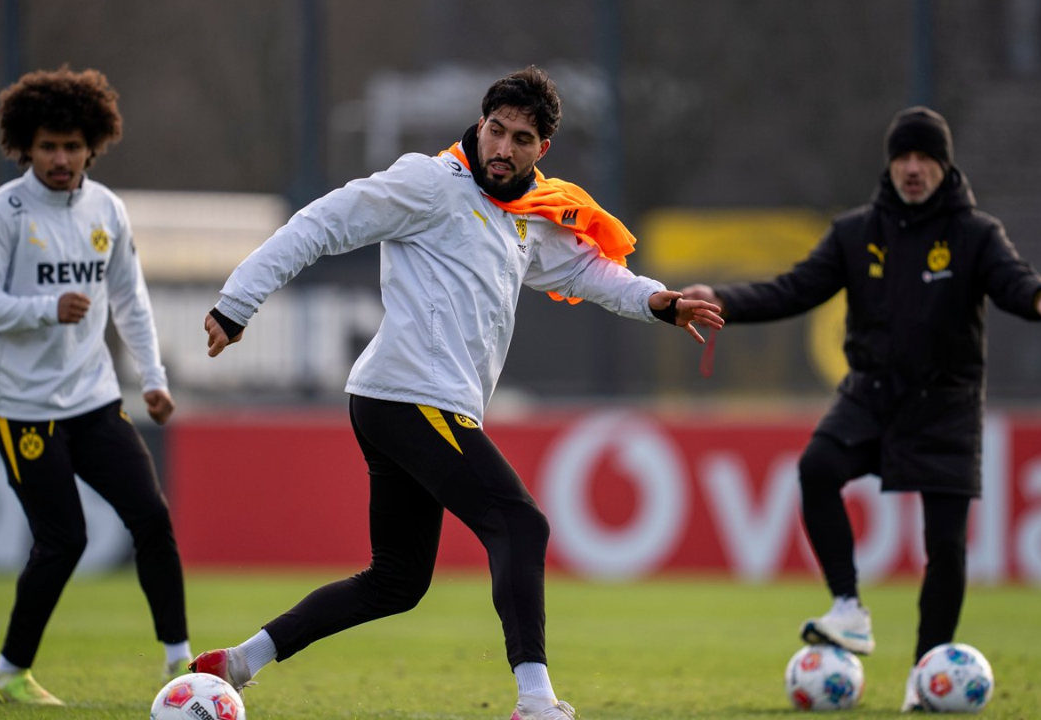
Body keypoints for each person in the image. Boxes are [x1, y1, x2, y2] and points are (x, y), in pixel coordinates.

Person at [189, 65, 724, 720]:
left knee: (396, 582)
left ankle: (239, 661)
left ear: (542, 149)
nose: (503, 148)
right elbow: (321, 222)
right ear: (480, 123)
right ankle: (535, 701)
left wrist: (658, 302)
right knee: (520, 524)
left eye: (520, 139)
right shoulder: (429, 183)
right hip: (409, 395)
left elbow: (587, 270)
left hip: (404, 402)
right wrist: (238, 302)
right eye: (496, 130)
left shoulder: (525, 213)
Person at [680, 106, 1041, 711]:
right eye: (903, 157)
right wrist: (722, 300)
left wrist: (1035, 296)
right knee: (817, 468)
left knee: (945, 547)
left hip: (946, 405)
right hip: (871, 393)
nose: (913, 168)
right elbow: (793, 289)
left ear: (945, 167)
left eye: (925, 159)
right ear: (890, 164)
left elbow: (1012, 280)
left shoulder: (976, 234)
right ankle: (848, 607)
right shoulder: (856, 232)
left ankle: (926, 675)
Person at [0, 67, 190, 706]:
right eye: (46, 147)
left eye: (71, 146)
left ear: (93, 145)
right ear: (25, 147)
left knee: (151, 516)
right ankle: (8, 672)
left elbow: (131, 301)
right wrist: (46, 308)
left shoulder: (107, 209)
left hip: (94, 398)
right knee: (65, 540)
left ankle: (180, 662)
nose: (59, 160)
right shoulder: (4, 213)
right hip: (21, 408)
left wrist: (153, 379)